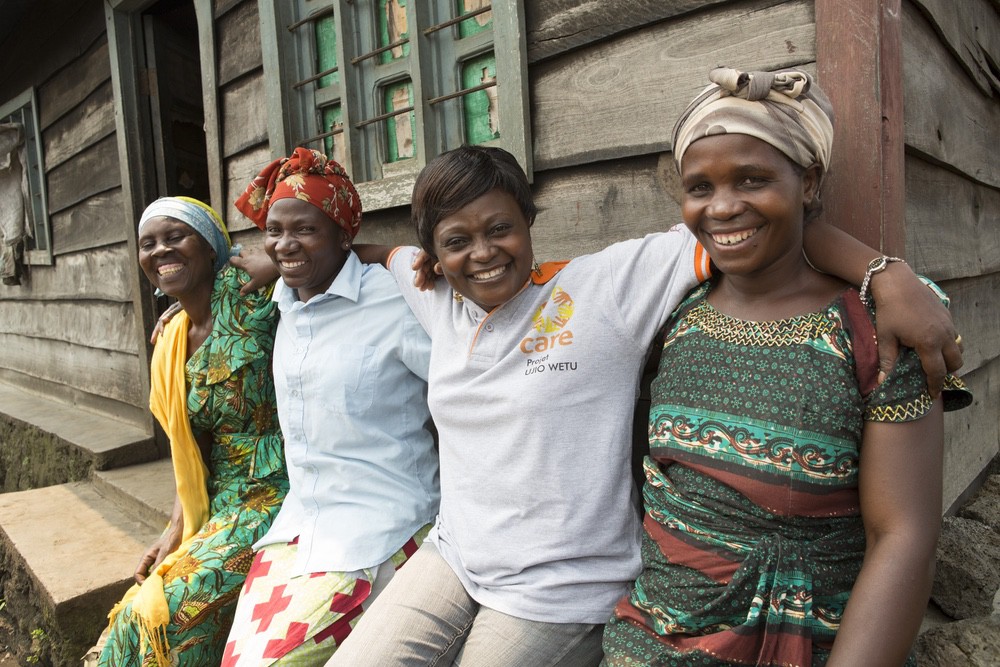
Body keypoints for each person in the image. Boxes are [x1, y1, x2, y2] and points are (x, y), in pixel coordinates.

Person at [324, 142, 963, 666]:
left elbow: (745, 233)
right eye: (456, 241)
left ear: (528, 223)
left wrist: (886, 274)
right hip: (456, 555)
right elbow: (386, 253)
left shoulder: (603, 289)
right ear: (434, 253)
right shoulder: (436, 296)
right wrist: (303, 257)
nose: (483, 253)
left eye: (500, 229)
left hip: (560, 582)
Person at [600, 67, 972, 667]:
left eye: (753, 179)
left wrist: (887, 275)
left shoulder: (876, 330)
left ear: (809, 182)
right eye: (700, 188)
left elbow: (902, 537)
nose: (722, 207)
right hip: (647, 639)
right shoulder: (676, 313)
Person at [219, 148, 439, 665]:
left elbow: (462, 385)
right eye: (274, 230)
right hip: (302, 522)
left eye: (306, 230)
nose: (285, 244)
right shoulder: (286, 301)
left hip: (384, 525)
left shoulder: (394, 300)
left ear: (345, 236)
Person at [96, 197, 289, 667]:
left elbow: (323, 261)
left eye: (175, 236)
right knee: (130, 622)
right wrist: (176, 526)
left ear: (211, 247)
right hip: (223, 500)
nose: (161, 251)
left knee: (169, 612)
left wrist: (278, 265)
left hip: (282, 493)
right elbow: (193, 453)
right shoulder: (173, 338)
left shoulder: (256, 296)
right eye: (149, 244)